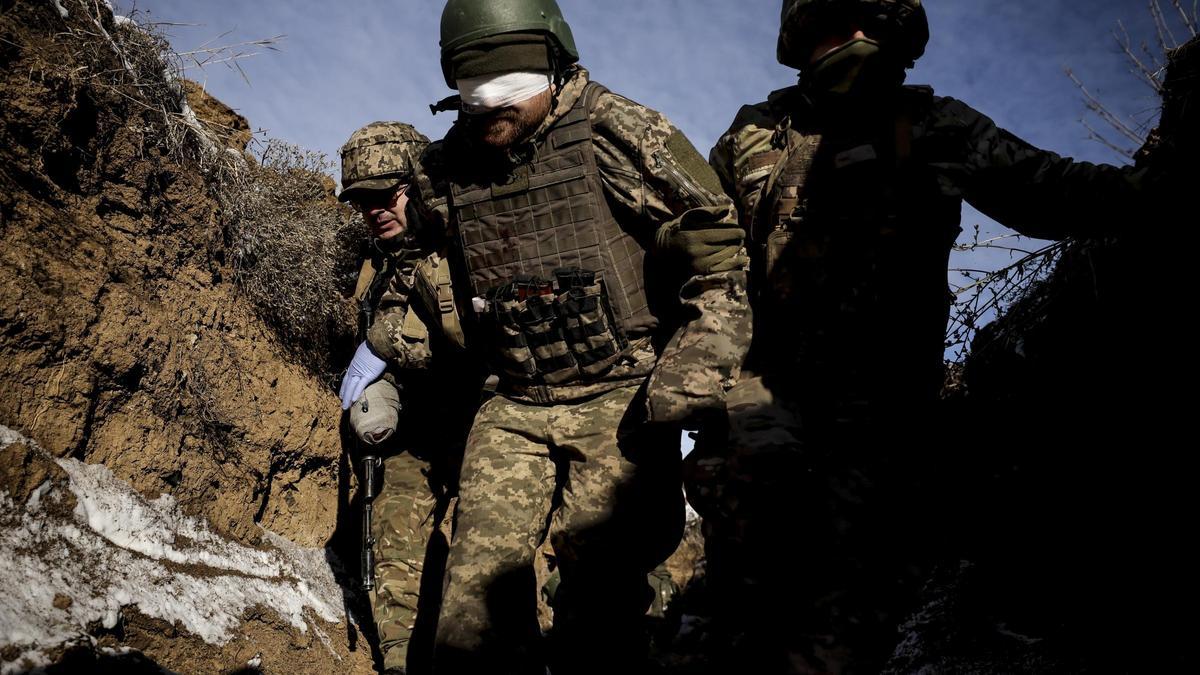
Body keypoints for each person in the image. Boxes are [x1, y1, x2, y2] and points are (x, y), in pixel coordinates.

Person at [701, 0, 1175, 672]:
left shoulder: (934, 126)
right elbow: (700, 257)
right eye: (838, 25)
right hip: (759, 419)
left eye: (876, 25)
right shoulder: (752, 135)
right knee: (743, 618)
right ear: (802, 37)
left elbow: (1050, 189)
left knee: (841, 628)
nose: (857, 40)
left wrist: (1156, 187)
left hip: (880, 423)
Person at [340, 1, 751, 671]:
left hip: (619, 397)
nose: (491, 105)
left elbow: (720, 253)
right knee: (470, 619)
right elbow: (420, 257)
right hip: (513, 401)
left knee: (602, 612)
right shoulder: (445, 168)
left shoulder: (620, 133)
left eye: (510, 87)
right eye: (474, 92)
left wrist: (691, 377)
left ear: (556, 65)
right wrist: (385, 347)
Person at [338, 121, 480, 675]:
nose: (373, 211)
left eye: (385, 195)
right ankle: (401, 660)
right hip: (418, 421)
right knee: (393, 527)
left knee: (486, 551)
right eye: (361, 202)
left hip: (484, 417)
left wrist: (387, 346)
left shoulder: (468, 242)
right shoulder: (376, 262)